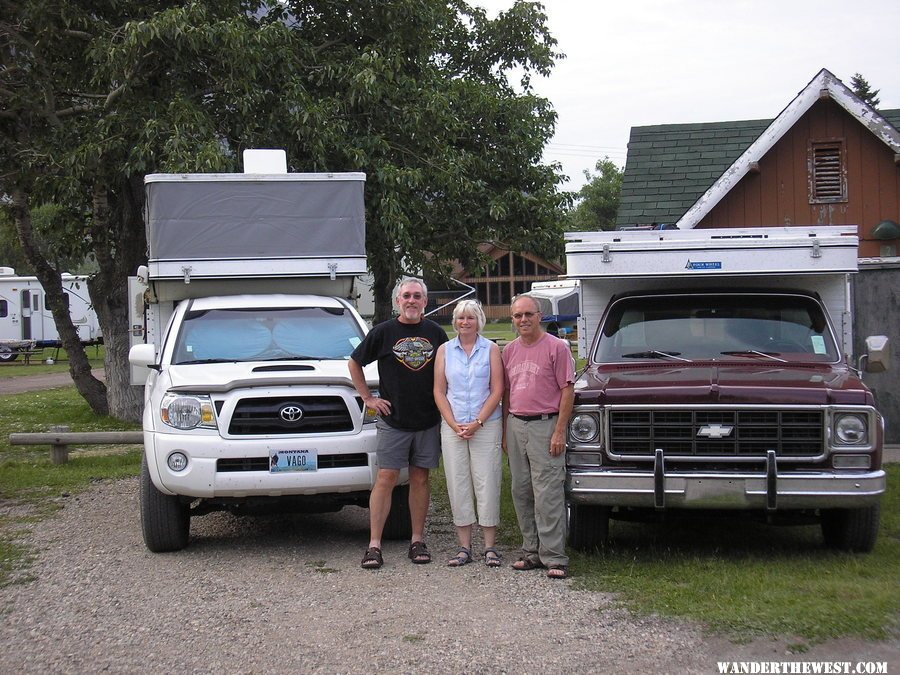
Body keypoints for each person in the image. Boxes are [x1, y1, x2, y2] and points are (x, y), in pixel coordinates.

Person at [349, 278, 448, 569]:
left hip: (428, 420)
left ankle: (417, 540)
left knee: (419, 479)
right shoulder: (382, 332)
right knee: (386, 478)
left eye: (417, 296)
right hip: (393, 421)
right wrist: (368, 397)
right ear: (397, 301)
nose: (412, 300)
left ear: (425, 302)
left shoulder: (436, 333)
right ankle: (374, 544)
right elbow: (355, 363)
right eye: (406, 296)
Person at [501, 294, 575, 579]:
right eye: (517, 316)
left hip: (546, 424)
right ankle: (530, 552)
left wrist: (559, 430)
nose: (523, 320)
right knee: (521, 491)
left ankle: (554, 557)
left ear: (539, 315)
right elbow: (507, 390)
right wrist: (506, 430)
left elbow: (567, 390)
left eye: (528, 314)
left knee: (548, 493)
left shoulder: (556, 348)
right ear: (512, 319)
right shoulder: (509, 351)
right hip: (516, 423)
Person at [433, 299, 504, 567]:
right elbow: (439, 390)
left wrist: (477, 421)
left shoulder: (491, 349)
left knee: (487, 481)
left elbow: (497, 390)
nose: (465, 322)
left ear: (479, 321)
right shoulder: (444, 350)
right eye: (461, 318)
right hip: (453, 426)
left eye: (470, 318)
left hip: (485, 425)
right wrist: (452, 423)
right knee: (458, 482)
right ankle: (464, 547)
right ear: (455, 322)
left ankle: (489, 547)